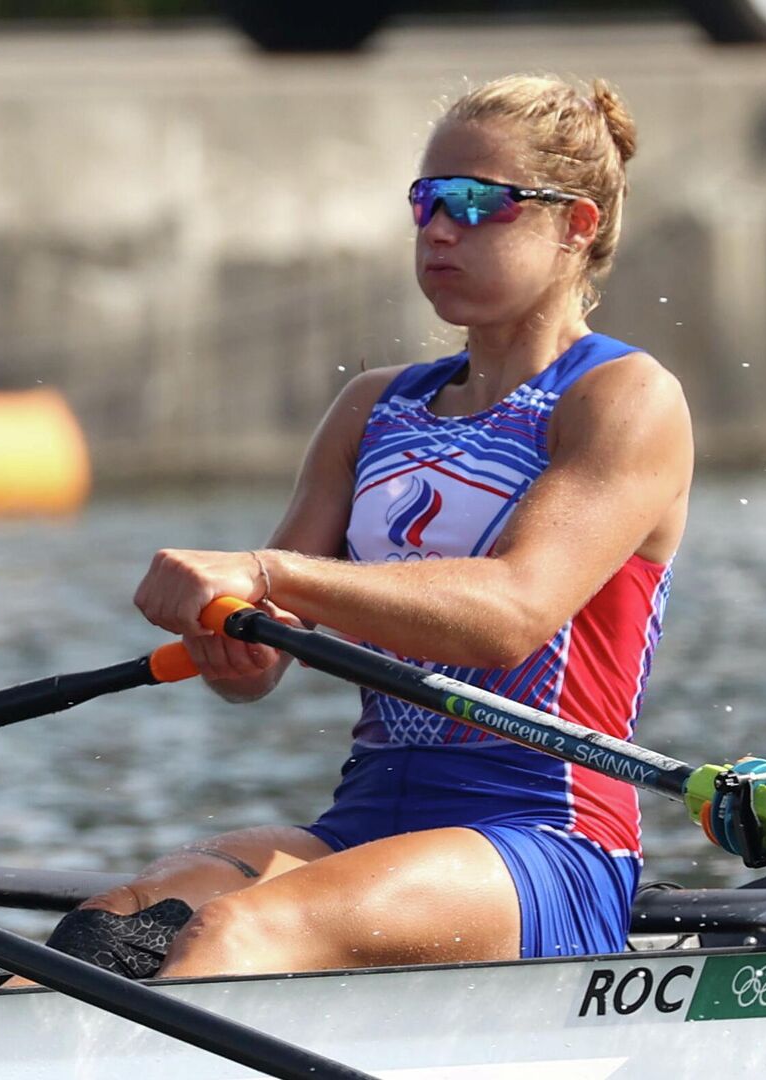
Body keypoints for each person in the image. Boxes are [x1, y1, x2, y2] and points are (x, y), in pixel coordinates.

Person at [49, 74, 691, 978]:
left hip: (543, 840)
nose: (437, 229)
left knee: (237, 934)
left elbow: (513, 612)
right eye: (426, 200)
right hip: (363, 823)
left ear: (574, 225)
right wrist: (236, 637)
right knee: (109, 926)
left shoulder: (622, 398)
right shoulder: (372, 408)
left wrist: (267, 577)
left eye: (476, 203)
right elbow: (259, 671)